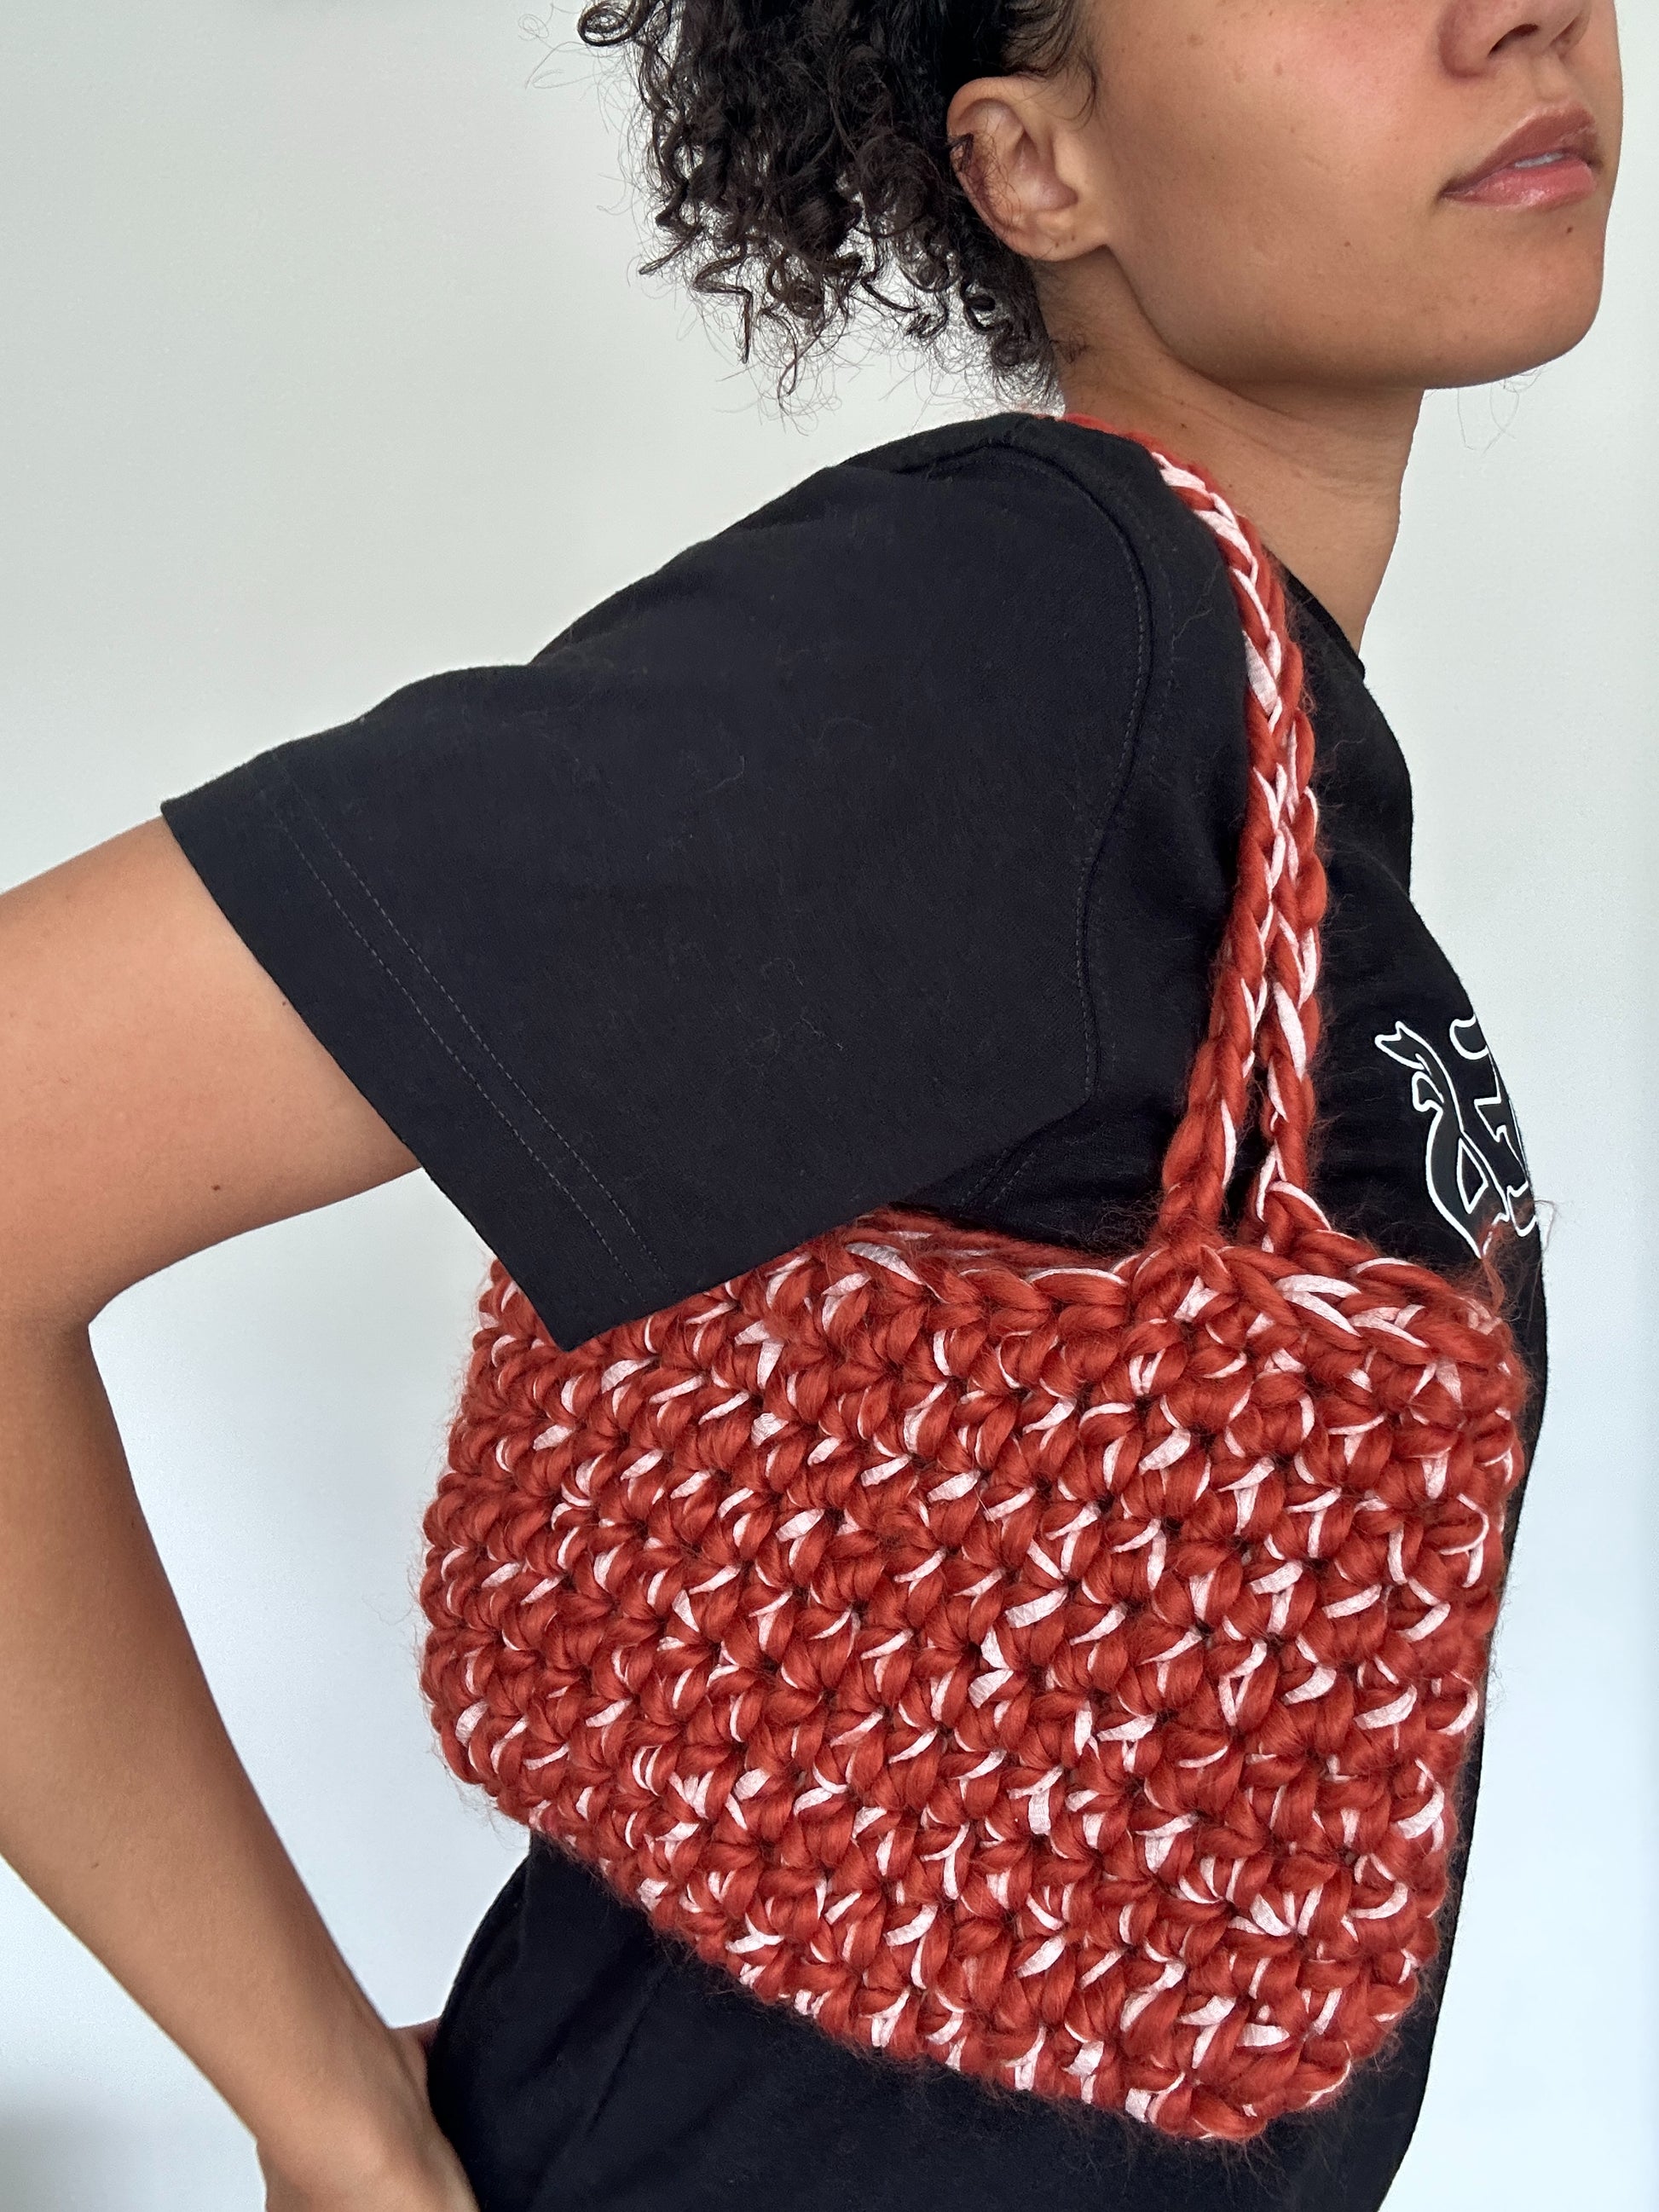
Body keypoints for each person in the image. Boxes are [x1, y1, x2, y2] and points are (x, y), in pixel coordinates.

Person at [0, 1, 1622, 2207]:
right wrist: (324, 2111)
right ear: (1035, 168)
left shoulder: (1233, 743)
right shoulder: (1034, 628)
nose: (1512, 10)